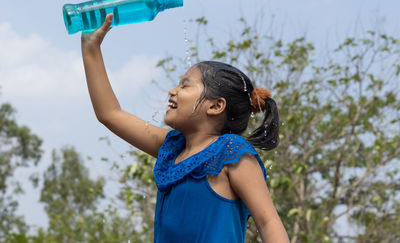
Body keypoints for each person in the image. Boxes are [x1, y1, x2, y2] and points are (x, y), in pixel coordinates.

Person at [81, 13, 289, 243]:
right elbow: (110, 115)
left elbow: (268, 222)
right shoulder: (172, 147)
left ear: (216, 106)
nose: (172, 91)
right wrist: (91, 48)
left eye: (185, 85)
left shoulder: (232, 152)